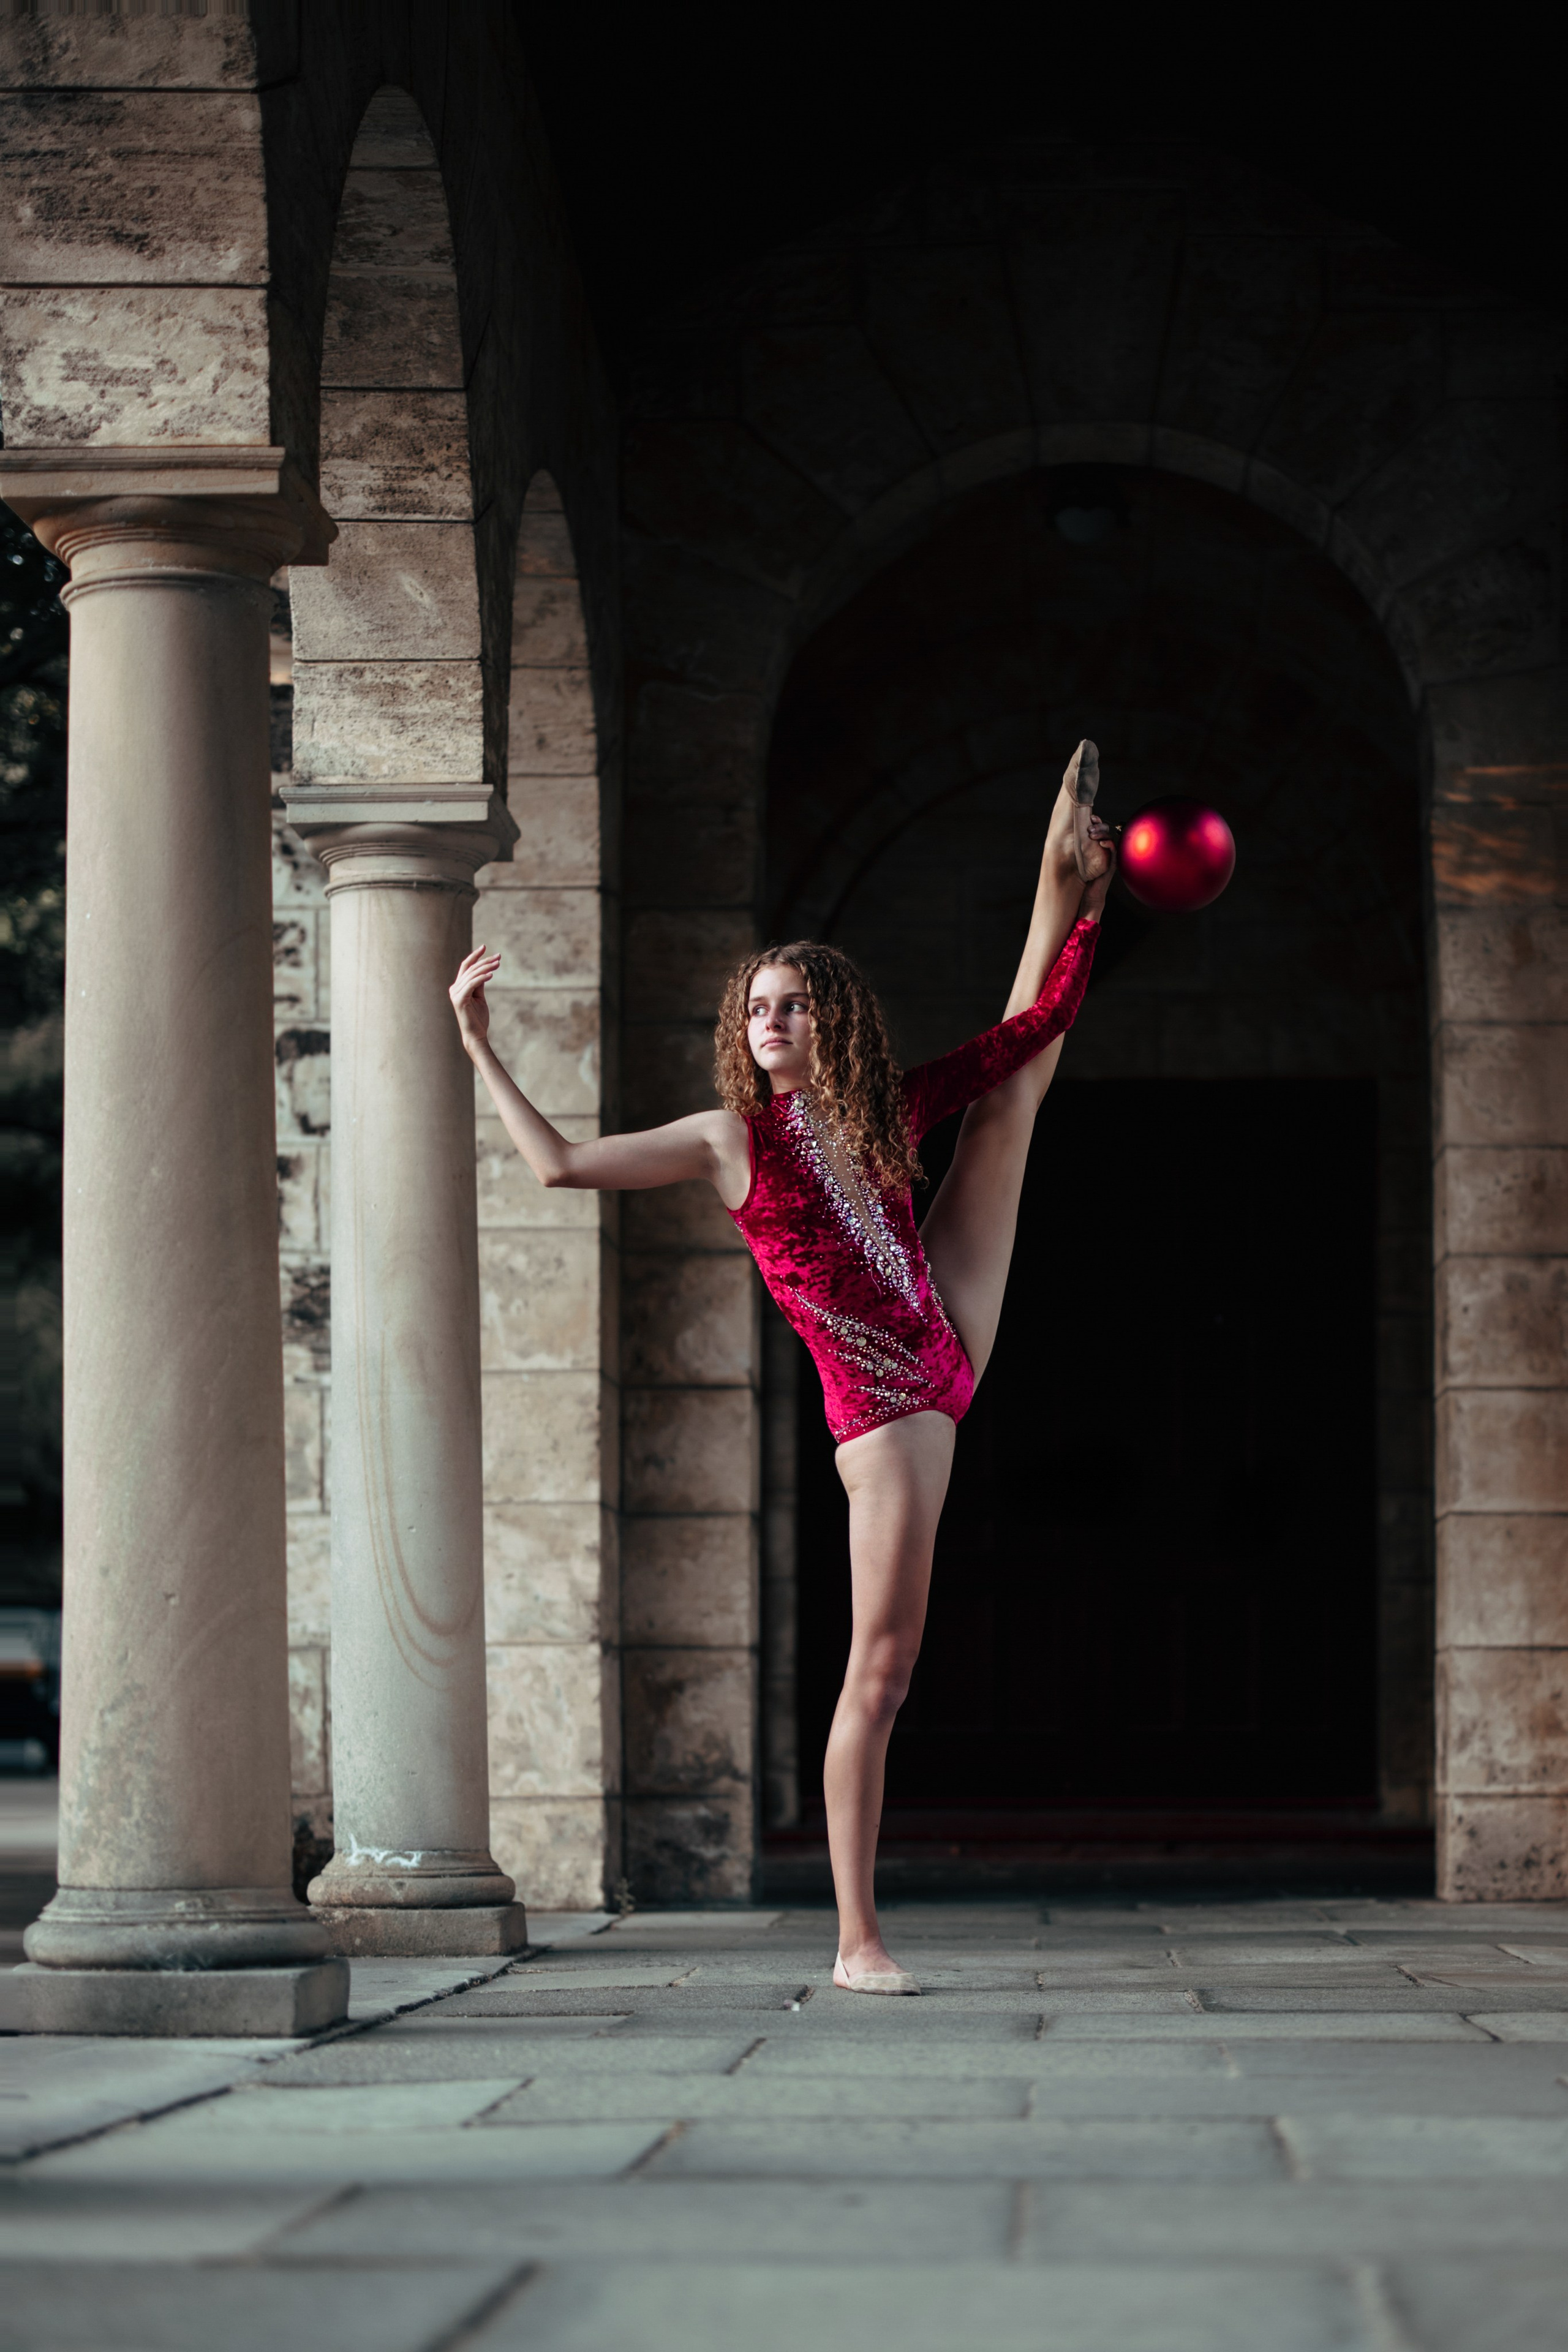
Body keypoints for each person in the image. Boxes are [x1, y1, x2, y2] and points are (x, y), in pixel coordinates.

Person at [450, 742, 1117, 1993]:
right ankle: (856, 1939)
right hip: (888, 1404)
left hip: (944, 1328)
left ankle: (1060, 865)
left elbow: (1028, 1028)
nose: (768, 1022)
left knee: (1013, 1092)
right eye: (754, 1008)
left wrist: (1089, 913)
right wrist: (478, 1042)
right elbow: (556, 1167)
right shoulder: (724, 1140)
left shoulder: (882, 1114)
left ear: (833, 1019)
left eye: (791, 1005)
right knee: (883, 1668)